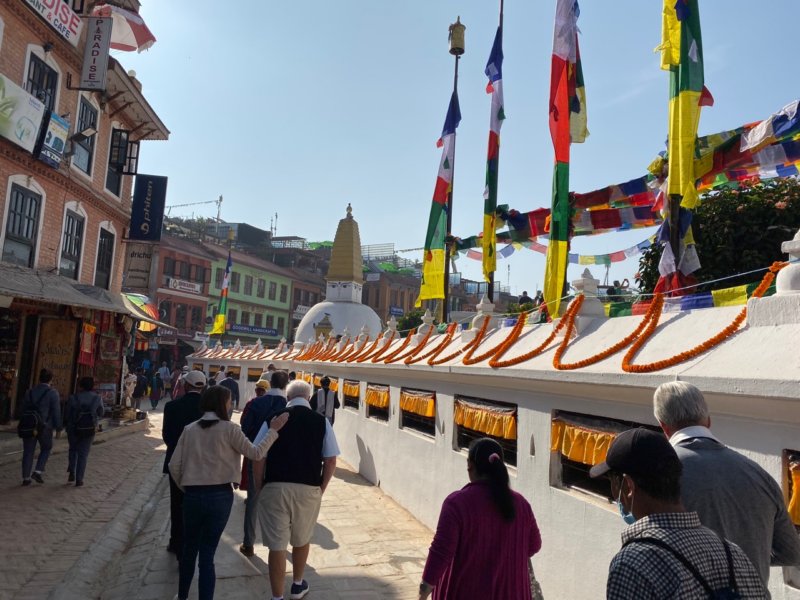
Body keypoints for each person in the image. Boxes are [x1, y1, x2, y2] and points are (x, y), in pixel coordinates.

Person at [589, 427, 767, 599]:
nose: (613, 492)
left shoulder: (633, 564)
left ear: (628, 486)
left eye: (612, 481)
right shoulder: (733, 554)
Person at [653, 381, 800, 585]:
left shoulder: (658, 476)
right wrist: (747, 557)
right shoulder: (758, 474)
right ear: (709, 421)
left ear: (663, 426)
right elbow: (791, 553)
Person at [169, 386, 289, 600]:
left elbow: (174, 466)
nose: (231, 405)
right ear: (221, 404)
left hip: (193, 496)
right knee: (207, 555)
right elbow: (256, 452)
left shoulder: (190, 429)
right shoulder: (230, 429)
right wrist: (273, 431)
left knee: (189, 552)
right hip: (220, 497)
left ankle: (182, 596)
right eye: (229, 401)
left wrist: (187, 487)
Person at [419, 438, 541, 600]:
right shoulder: (522, 504)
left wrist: (423, 592)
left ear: (470, 466)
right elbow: (534, 545)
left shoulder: (456, 504)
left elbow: (441, 552)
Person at [252, 379, 339, 600]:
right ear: (309, 398)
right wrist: (321, 487)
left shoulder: (273, 418)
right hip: (308, 488)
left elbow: (258, 454)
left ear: (288, 398)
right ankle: (298, 585)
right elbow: (330, 460)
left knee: (277, 546)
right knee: (302, 539)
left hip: (275, 486)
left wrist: (259, 484)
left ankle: (277, 596)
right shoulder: (321, 422)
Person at [239, 370, 289, 557]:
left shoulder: (255, 403)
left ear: (270, 383)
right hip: (280, 460)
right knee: (279, 504)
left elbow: (244, 428)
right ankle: (279, 544)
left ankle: (248, 543)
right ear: (286, 386)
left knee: (253, 500)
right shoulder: (288, 406)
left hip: (257, 455)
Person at [162, 370, 206, 557]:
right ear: (202, 387)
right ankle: (192, 542)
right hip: (202, 464)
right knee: (197, 505)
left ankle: (175, 541)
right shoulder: (209, 411)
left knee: (176, 503)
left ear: (186, 385)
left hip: (176, 462)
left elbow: (167, 436)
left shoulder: (172, 406)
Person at [20, 368, 62, 486]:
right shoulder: (53, 393)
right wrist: (58, 428)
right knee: (46, 447)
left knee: (28, 451)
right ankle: (38, 470)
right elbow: (56, 412)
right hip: (45, 426)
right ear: (51, 380)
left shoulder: (30, 392)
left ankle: (26, 477)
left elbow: (23, 408)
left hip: (30, 424)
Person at [64, 377, 104, 487]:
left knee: (73, 449)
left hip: (73, 428)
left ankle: (72, 470)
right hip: (89, 428)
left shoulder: (73, 398)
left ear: (80, 386)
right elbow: (101, 412)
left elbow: (67, 414)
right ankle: (79, 479)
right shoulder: (97, 398)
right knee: (83, 454)